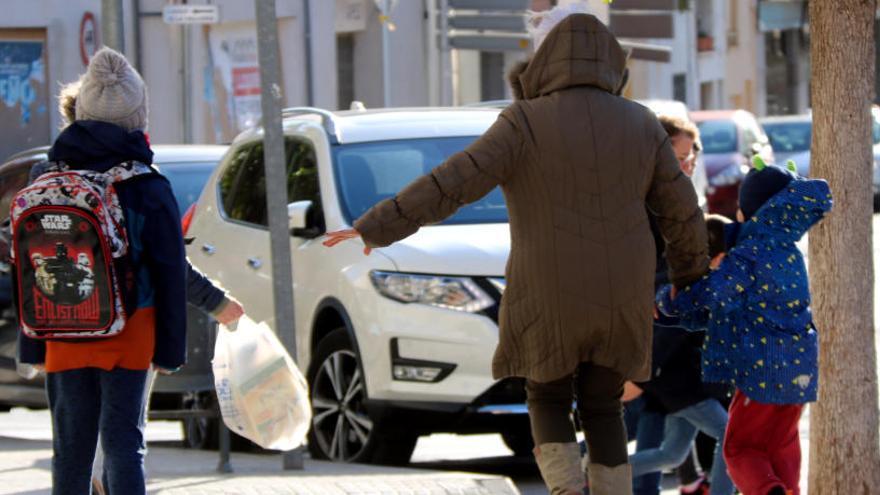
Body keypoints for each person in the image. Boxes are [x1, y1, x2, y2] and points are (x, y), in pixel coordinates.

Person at [325, 4, 708, 494]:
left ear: (547, 61)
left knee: (546, 394)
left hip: (547, 286)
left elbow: (452, 182)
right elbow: (682, 212)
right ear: (614, 63)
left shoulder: (524, 121)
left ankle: (567, 490)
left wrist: (375, 227)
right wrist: (689, 279)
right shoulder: (642, 124)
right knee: (604, 402)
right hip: (623, 290)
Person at [16, 47, 188, 495]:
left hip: (62, 329)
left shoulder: (45, 176)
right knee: (123, 446)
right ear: (138, 117)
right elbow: (170, 271)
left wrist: (32, 346)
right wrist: (169, 350)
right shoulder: (148, 185)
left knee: (70, 451)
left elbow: (29, 269)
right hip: (130, 330)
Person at [658, 159, 832, 495]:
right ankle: (785, 489)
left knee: (740, 448)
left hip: (762, 367)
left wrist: (672, 302)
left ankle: (769, 491)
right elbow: (737, 307)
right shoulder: (787, 250)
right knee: (781, 444)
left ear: (746, 212)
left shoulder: (749, 252)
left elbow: (716, 291)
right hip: (800, 366)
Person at [627, 214, 736, 495]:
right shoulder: (691, 285)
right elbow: (664, 336)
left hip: (683, 386)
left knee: (672, 454)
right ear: (720, 256)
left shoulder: (695, 281)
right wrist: (640, 378)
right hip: (685, 387)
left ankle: (599, 470)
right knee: (730, 436)